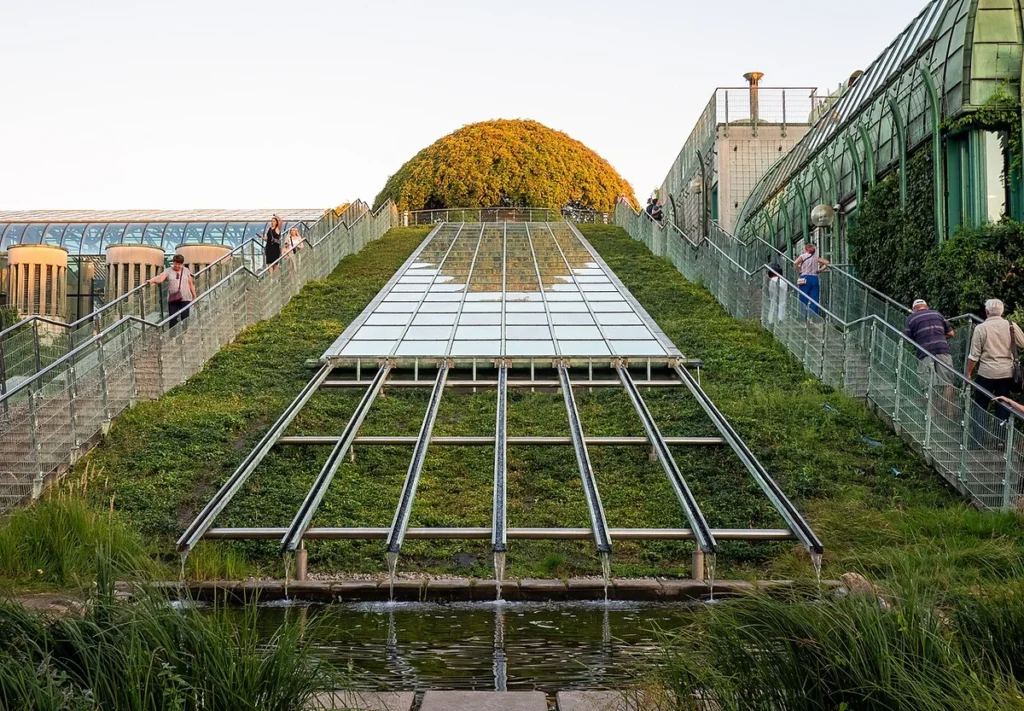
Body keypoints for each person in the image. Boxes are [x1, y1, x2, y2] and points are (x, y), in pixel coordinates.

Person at [966, 298, 1024, 424]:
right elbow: (1022, 343)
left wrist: (969, 373)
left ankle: (977, 437)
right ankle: (1001, 439)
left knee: (981, 405)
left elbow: (974, 355)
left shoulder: (981, 328)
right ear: (1002, 312)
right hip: (1006, 372)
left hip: (986, 373)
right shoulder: (1011, 325)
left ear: (987, 311)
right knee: (1003, 404)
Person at [903, 299, 955, 385]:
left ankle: (932, 399)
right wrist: (940, 337)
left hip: (924, 352)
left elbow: (907, 339)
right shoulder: (937, 314)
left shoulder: (911, 318)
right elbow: (951, 333)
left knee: (928, 383)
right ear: (927, 307)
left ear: (914, 309)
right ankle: (947, 398)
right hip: (942, 350)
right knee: (947, 382)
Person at [146, 254, 196, 328]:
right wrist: (151, 281)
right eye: (175, 263)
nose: (177, 266)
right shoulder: (168, 271)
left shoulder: (186, 270)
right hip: (173, 298)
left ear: (181, 264)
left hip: (185, 298)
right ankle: (172, 337)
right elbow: (160, 279)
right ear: (173, 262)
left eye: (179, 264)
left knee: (185, 317)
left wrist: (194, 296)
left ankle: (184, 334)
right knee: (172, 319)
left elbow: (190, 284)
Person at [793, 243, 829, 316]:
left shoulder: (803, 256)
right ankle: (814, 317)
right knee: (814, 298)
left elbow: (795, 263)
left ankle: (803, 316)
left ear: (806, 249)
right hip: (814, 278)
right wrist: (820, 270)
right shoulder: (816, 257)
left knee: (803, 298)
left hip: (805, 278)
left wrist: (799, 270)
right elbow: (827, 263)